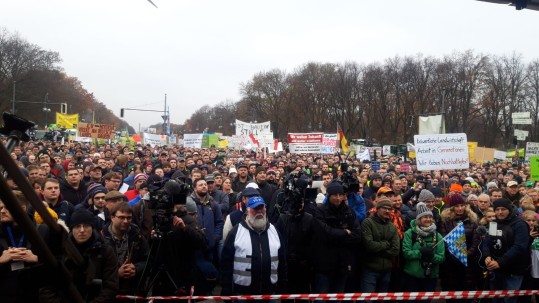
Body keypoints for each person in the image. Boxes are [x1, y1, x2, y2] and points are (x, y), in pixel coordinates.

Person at [40, 209, 119, 302]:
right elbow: (46, 286)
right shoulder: (60, 249)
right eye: (77, 226)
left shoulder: (105, 250)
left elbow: (111, 286)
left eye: (86, 226)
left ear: (92, 227)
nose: (82, 230)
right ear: (71, 228)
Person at [221, 196, 287, 301]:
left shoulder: (274, 231)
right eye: (255, 209)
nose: (259, 212)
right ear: (247, 211)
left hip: (269, 294)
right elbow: (226, 263)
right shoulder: (236, 232)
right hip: (242, 295)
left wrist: (281, 288)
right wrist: (226, 289)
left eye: (262, 208)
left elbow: (282, 262)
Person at [311, 181, 361, 300]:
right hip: (324, 264)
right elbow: (323, 233)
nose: (338, 198)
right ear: (329, 196)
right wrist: (344, 232)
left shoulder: (349, 212)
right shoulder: (320, 211)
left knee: (338, 297)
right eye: (335, 195)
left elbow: (357, 235)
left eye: (341, 195)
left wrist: (335, 236)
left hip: (343, 264)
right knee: (322, 297)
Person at [482, 198, 529, 303]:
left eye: (503, 209)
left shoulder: (520, 224)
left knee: (510, 299)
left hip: (513, 270)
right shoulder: (493, 224)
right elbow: (487, 242)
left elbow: (519, 247)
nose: (500, 212)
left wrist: (500, 262)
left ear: (509, 209)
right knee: (496, 298)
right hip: (496, 269)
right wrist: (487, 255)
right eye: (497, 209)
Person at [0, 191, 45, 302]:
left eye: (6, 207)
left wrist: (36, 259)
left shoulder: (42, 231)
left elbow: (58, 265)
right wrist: (1, 260)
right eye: (0, 207)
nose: (2, 211)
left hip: (35, 295)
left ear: (23, 209)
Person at [438, 194, 480, 302]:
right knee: (451, 296)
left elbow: (475, 242)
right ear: (452, 207)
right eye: (457, 206)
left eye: (462, 205)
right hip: (450, 266)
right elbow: (444, 240)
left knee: (466, 296)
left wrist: (465, 256)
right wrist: (455, 256)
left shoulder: (473, 220)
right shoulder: (445, 221)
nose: (460, 208)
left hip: (468, 264)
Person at [101, 202, 149, 295]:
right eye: (121, 217)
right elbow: (96, 269)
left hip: (133, 290)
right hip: (108, 292)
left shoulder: (137, 236)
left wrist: (135, 268)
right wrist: (116, 273)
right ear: (112, 217)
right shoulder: (101, 238)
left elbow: (147, 260)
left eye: (129, 218)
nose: (126, 221)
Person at [401, 202, 445, 300]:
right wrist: (420, 252)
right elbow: (406, 253)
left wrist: (432, 256)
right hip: (412, 276)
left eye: (430, 217)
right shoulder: (410, 233)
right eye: (425, 217)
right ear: (419, 219)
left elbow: (441, 258)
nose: (428, 219)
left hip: (430, 277)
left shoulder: (438, 236)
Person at [360, 199, 400, 293]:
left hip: (386, 270)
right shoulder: (367, 223)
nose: (387, 211)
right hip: (370, 269)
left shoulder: (392, 226)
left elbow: (395, 250)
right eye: (384, 208)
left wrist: (376, 250)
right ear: (377, 209)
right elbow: (369, 245)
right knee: (367, 299)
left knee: (382, 299)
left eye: (389, 209)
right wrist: (386, 244)